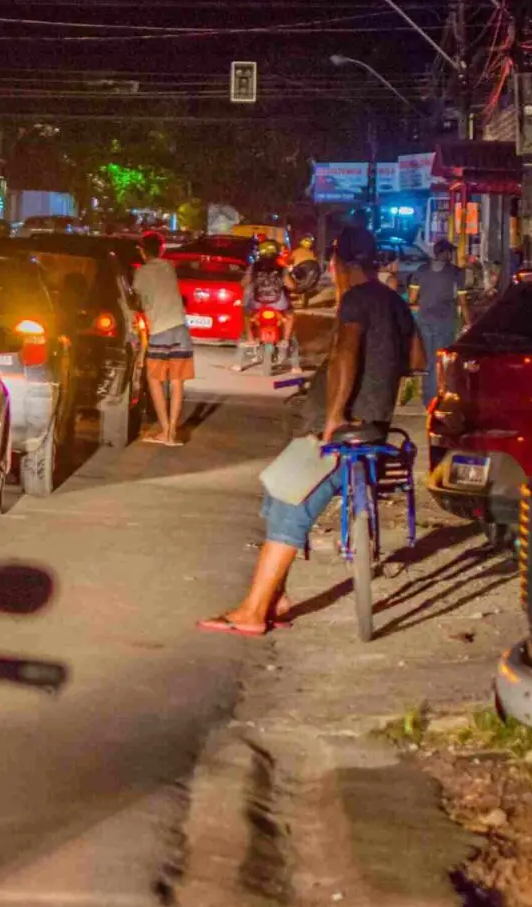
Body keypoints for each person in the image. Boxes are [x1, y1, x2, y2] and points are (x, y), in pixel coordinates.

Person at [200, 225, 417, 636]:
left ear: (338, 262)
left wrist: (335, 415)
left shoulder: (356, 298)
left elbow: (346, 354)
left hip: (336, 427)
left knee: (289, 507)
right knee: (276, 489)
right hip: (375, 424)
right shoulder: (395, 302)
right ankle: (277, 598)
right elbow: (417, 357)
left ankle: (253, 612)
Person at [133, 228, 195, 444]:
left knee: (154, 380)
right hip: (180, 329)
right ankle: (172, 433)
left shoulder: (141, 273)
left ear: (142, 251)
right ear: (161, 250)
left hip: (159, 331)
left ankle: (165, 428)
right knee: (177, 381)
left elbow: (139, 301)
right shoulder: (169, 267)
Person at [408, 245, 466, 412]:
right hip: (445, 322)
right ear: (447, 253)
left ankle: (428, 400)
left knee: (428, 360)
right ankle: (437, 398)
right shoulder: (456, 273)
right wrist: (469, 321)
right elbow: (463, 302)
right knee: (441, 361)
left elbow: (412, 299)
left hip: (425, 321)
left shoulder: (421, 270)